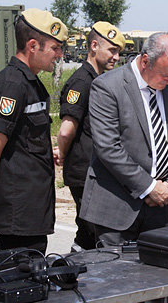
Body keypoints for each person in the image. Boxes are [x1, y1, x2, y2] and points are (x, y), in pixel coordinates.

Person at [79, 32, 168, 248]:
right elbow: (109, 148)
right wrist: (149, 187)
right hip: (117, 208)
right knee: (116, 277)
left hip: (162, 205)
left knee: (160, 276)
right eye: (165, 75)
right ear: (146, 61)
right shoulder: (107, 87)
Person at [0, 8, 68, 254]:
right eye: (54, 48)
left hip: (34, 213)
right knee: (20, 283)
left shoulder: (31, 83)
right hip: (20, 217)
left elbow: (25, 139)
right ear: (32, 45)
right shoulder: (11, 85)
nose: (59, 55)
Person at [54, 21, 126, 252]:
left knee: (88, 231)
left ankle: (77, 271)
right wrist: (62, 153)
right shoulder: (81, 82)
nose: (116, 57)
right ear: (94, 46)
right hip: (84, 171)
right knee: (96, 229)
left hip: (95, 170)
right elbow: (66, 129)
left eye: (118, 52)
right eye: (111, 50)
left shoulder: (99, 80)